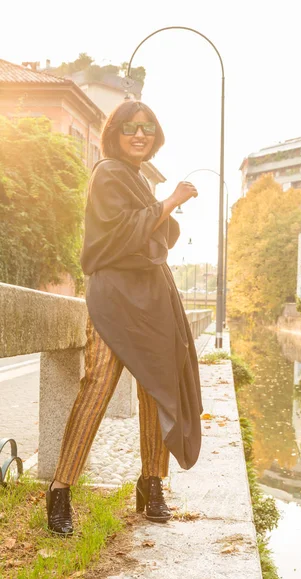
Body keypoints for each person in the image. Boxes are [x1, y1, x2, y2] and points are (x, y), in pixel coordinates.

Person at [45, 100, 202, 536]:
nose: (139, 134)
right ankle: (60, 489)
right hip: (114, 293)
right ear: (114, 133)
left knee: (156, 387)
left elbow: (153, 232)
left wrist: (161, 210)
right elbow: (116, 234)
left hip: (151, 294)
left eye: (147, 127)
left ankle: (152, 482)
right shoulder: (108, 172)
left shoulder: (135, 176)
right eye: (130, 127)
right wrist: (169, 201)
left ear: (156, 135)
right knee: (97, 385)